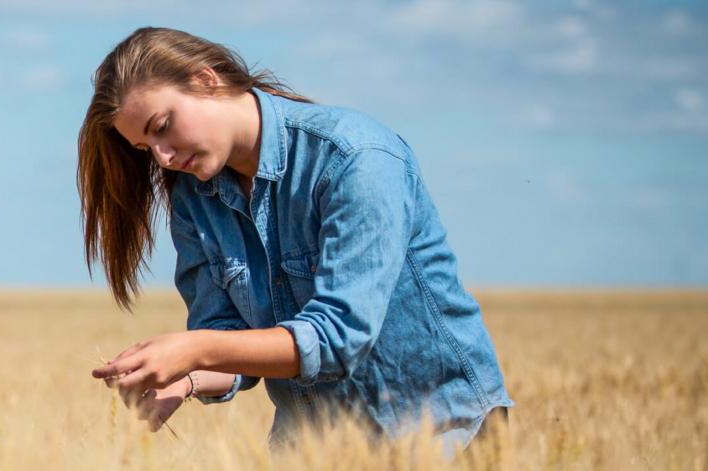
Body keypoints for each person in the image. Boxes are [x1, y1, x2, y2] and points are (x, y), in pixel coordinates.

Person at [78, 26, 513, 456]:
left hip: (444, 439)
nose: (163, 157)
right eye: (145, 147)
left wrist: (194, 350)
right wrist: (185, 377)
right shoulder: (195, 198)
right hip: (314, 449)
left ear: (205, 80)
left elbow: (339, 338)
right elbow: (231, 337)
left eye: (163, 126)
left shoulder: (354, 158)